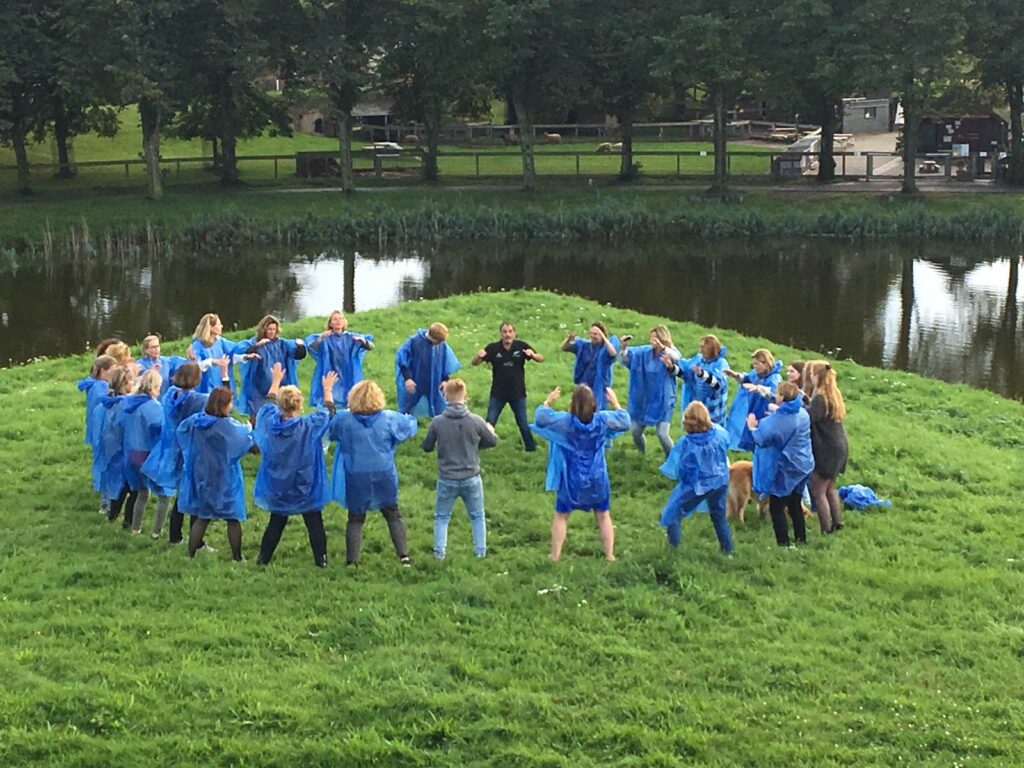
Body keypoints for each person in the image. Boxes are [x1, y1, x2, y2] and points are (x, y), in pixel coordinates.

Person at [531, 385, 631, 561]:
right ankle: (609, 555)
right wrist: (615, 403)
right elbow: (625, 422)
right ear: (593, 404)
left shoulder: (565, 422)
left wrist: (548, 401)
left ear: (573, 404)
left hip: (571, 477)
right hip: (597, 476)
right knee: (603, 514)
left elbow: (540, 418)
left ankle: (554, 556)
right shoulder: (602, 420)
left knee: (561, 515)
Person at [253, 364, 338, 567]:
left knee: (277, 521)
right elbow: (329, 411)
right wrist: (327, 389)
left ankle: (263, 559)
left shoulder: (269, 423)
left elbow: (266, 403)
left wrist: (275, 381)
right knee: (314, 521)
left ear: (280, 405)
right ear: (299, 405)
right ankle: (321, 560)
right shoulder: (309, 425)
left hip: (278, 482)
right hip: (305, 482)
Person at [329, 380, 418, 566]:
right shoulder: (389, 418)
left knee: (355, 518)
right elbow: (410, 426)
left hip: (356, 473)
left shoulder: (344, 420)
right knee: (392, 512)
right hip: (383, 472)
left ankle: (352, 561)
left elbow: (330, 430)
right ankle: (404, 556)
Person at [142, 361, 221, 548]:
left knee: (180, 494)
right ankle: (197, 541)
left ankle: (175, 536)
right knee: (195, 495)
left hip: (172, 448)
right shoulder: (198, 400)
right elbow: (217, 406)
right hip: (192, 451)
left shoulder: (169, 395)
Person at [422, 379, 498, 560]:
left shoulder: (438, 422)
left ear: (445, 396)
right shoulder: (476, 421)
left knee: (442, 517)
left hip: (447, 477)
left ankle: (439, 554)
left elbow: (426, 446)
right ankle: (480, 553)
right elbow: (492, 441)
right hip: (471, 476)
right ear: (465, 396)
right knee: (477, 516)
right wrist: (488, 432)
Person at [177, 387, 254, 561]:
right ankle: (237, 557)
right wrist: (249, 429)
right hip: (225, 474)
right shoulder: (228, 426)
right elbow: (244, 440)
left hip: (202, 472)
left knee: (203, 516)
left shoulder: (196, 421)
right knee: (233, 517)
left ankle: (190, 555)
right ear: (225, 405)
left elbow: (181, 431)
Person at [658, 401, 733, 554]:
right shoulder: (719, 433)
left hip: (698, 485)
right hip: (720, 480)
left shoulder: (687, 444)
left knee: (673, 512)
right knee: (719, 516)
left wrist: (684, 488)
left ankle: (673, 550)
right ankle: (728, 550)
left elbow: (685, 470)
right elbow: (726, 446)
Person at [748, 381, 814, 547]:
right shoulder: (803, 413)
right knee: (795, 504)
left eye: (777, 394)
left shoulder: (778, 421)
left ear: (783, 397)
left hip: (787, 467)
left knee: (776, 508)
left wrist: (752, 427)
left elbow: (761, 439)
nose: (775, 396)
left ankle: (783, 544)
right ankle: (801, 539)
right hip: (804, 464)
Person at [472, 321, 543, 451]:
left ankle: (531, 449)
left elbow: (540, 358)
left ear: (514, 333)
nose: (507, 334)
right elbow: (474, 363)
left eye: (510, 331)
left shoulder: (521, 346)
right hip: (498, 393)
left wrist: (532, 355)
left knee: (523, 423)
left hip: (518, 393)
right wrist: (479, 356)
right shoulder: (493, 348)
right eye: (504, 332)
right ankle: (482, 447)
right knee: (490, 422)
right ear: (501, 333)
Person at [122, 369, 171, 536]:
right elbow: (160, 429)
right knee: (165, 494)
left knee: (142, 492)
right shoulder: (152, 406)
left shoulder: (129, 403)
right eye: (158, 387)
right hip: (149, 454)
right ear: (153, 387)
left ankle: (135, 529)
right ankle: (157, 532)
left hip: (132, 454)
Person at [619, 325, 681, 456]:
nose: (652, 341)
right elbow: (627, 358)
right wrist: (624, 347)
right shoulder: (645, 352)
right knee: (636, 431)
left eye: (656, 338)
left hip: (663, 399)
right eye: (651, 338)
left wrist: (663, 348)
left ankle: (673, 461)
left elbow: (677, 358)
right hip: (644, 399)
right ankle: (642, 455)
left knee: (662, 434)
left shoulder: (669, 352)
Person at [804, 362, 849, 535]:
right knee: (830, 487)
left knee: (818, 491)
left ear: (818, 376)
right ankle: (837, 522)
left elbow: (808, 417)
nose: (810, 377)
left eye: (812, 374)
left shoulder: (820, 398)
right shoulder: (833, 394)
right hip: (839, 447)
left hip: (826, 450)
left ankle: (826, 529)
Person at [238, 314, 307, 423]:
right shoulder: (254, 342)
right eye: (269, 329)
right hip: (258, 386)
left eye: (274, 329)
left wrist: (300, 346)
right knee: (256, 415)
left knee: (281, 415)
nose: (271, 332)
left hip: (281, 385)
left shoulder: (283, 344)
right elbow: (243, 354)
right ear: (263, 329)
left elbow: (298, 354)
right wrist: (257, 346)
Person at [96, 366, 137, 529]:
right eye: (131, 381)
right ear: (124, 383)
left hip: (112, 447)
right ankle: (127, 522)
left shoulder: (108, 400)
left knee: (121, 485)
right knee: (133, 488)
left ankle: (112, 515)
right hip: (125, 449)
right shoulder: (124, 404)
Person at [305, 310, 373, 408]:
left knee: (350, 398)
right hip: (330, 372)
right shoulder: (326, 337)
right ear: (330, 323)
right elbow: (311, 347)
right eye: (335, 319)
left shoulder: (351, 337)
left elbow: (370, 346)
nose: (338, 321)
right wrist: (321, 338)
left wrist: (363, 341)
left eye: (340, 318)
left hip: (348, 373)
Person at [395, 322, 461, 418]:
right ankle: (405, 424)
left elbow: (445, 361)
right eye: (438, 342)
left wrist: (445, 380)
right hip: (415, 381)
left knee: (439, 405)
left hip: (435, 382)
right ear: (432, 337)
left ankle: (440, 423)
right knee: (409, 404)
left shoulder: (441, 345)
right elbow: (402, 360)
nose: (440, 344)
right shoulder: (414, 342)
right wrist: (407, 379)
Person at [79, 354, 117, 514]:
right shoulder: (99, 387)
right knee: (106, 465)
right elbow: (104, 405)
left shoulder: (95, 384)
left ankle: (109, 500)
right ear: (103, 371)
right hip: (103, 431)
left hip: (100, 430)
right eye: (113, 370)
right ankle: (106, 503)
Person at [724, 348, 783, 451]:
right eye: (754, 364)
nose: (755, 367)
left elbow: (774, 393)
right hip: (754, 407)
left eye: (757, 364)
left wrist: (759, 388)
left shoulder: (774, 378)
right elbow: (748, 378)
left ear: (766, 363)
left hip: (765, 410)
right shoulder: (757, 374)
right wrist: (736, 375)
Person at [667, 334, 730, 426]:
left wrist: (702, 374)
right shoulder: (699, 359)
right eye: (700, 347)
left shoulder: (721, 363)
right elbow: (686, 375)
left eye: (704, 347)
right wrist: (671, 367)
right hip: (697, 406)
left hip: (713, 411)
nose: (701, 350)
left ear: (711, 348)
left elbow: (717, 384)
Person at [560, 322, 620, 410]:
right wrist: (569, 339)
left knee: (597, 410)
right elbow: (564, 348)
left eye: (595, 334)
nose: (592, 336)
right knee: (580, 408)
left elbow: (613, 353)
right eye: (591, 333)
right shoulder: (584, 346)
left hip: (600, 385)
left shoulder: (606, 347)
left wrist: (603, 337)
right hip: (584, 384)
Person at [190, 313, 250, 394]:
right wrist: (212, 361)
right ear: (211, 327)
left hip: (220, 381)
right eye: (219, 324)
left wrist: (245, 356)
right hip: (206, 385)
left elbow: (231, 354)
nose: (221, 326)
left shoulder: (220, 341)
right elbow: (195, 366)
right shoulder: (197, 345)